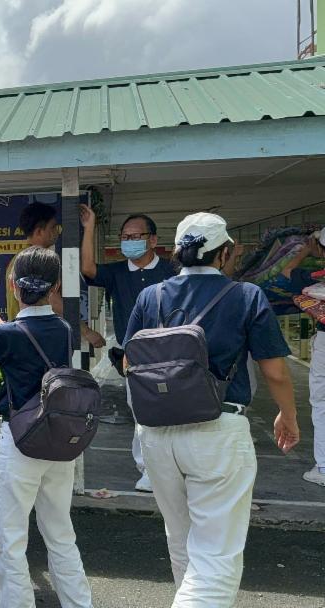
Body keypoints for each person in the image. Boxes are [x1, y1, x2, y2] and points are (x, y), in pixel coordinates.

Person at [125, 212, 299, 606]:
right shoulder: (245, 296)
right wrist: (288, 415)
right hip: (217, 431)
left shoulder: (149, 297)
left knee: (182, 540)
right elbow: (275, 372)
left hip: (156, 435)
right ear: (225, 253)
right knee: (217, 555)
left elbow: (129, 362)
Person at [0, 247, 93, 608]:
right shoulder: (64, 329)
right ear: (55, 287)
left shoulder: (11, 334)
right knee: (61, 534)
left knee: (9, 538)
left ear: (13, 285)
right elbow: (21, 336)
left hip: (20, 442)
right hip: (59, 442)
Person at [81, 209, 176, 492]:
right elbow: (88, 269)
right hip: (133, 355)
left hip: (170, 352)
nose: (130, 241)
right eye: (125, 237)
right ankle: (147, 470)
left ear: (152, 240)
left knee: (176, 412)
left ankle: (175, 467)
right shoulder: (118, 273)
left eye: (136, 236)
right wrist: (90, 227)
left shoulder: (171, 270)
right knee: (142, 413)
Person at [6, 202, 105, 346]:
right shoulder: (35, 260)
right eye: (53, 227)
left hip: (26, 338)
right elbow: (53, 300)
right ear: (39, 231)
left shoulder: (18, 259)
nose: (57, 232)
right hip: (36, 340)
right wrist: (86, 331)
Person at [270, 231, 325, 487]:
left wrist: (303, 253)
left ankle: (324, 467)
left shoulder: (313, 281)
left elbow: (283, 279)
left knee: (322, 400)